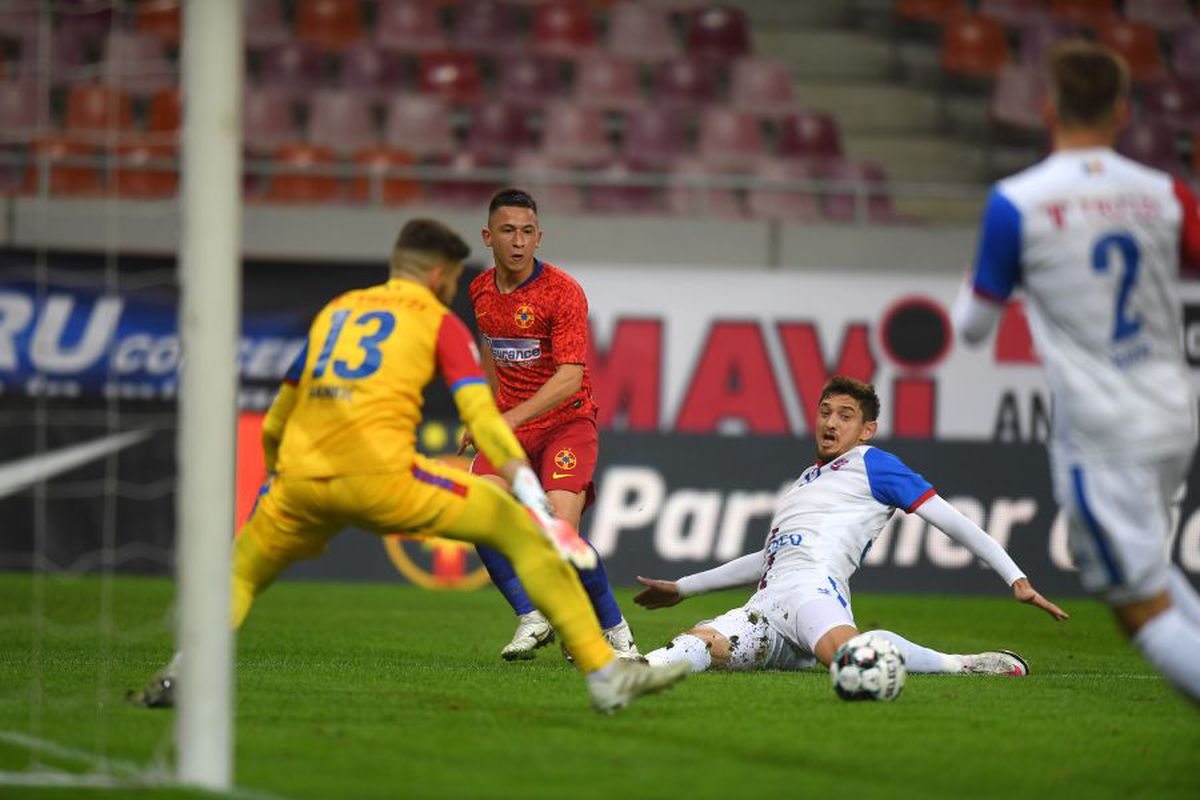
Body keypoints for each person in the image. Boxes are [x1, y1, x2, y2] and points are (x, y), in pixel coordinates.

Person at [131, 219, 687, 712]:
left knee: (239, 575)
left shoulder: (338, 311)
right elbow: (483, 418)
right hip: (382, 481)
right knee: (517, 528)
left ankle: (182, 671)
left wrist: (275, 476)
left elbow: (279, 411)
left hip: (298, 482)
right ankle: (605, 674)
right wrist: (527, 490)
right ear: (440, 275)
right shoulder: (439, 321)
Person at [952, 42, 1200, 703]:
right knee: (1151, 574)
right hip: (1173, 414)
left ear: (1048, 108)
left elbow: (972, 326)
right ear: (1123, 112)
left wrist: (989, 268)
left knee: (1139, 609)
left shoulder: (1017, 202)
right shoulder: (1167, 193)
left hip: (1101, 429)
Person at [634, 376, 1067, 675]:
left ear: (866, 430)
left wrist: (1015, 577)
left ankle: (961, 665)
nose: (830, 422)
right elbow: (769, 558)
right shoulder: (805, 480)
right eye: (825, 412)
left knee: (854, 660)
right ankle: (633, 670)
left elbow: (952, 521)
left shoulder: (873, 464)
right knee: (698, 643)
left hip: (814, 593)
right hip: (766, 605)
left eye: (845, 415)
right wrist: (683, 587)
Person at [458, 189, 638, 661]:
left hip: (566, 423)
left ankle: (614, 630)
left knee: (560, 533)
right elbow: (491, 350)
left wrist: (504, 419)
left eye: (527, 232)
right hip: (512, 428)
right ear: (488, 237)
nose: (518, 241)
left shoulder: (562, 292)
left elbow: (570, 377)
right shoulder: (480, 290)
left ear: (539, 237)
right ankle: (531, 617)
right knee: (479, 511)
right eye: (508, 231)